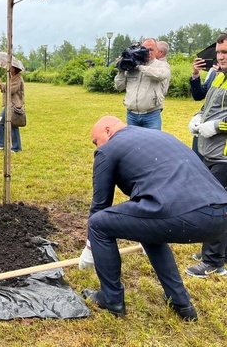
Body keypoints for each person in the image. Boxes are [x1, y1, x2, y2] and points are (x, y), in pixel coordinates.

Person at [79, 115, 227, 321]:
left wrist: (89, 247)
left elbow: (100, 205)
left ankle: (111, 299)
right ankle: (181, 303)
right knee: (148, 229)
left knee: (98, 225)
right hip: (221, 214)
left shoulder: (108, 149)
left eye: (95, 141)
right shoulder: (157, 136)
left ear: (107, 131)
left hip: (187, 214)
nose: (95, 147)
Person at [185, 32, 227, 278]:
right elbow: (206, 104)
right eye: (220, 52)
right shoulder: (219, 78)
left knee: (217, 206)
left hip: (224, 156)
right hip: (210, 152)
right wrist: (199, 117)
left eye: (226, 53)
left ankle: (213, 262)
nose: (221, 57)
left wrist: (218, 127)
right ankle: (218, 250)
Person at [114, 38, 171, 130]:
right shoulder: (132, 65)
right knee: (133, 143)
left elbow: (160, 75)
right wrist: (121, 70)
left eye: (151, 49)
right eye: (144, 49)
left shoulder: (161, 65)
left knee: (152, 142)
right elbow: (119, 86)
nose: (147, 52)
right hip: (131, 114)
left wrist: (139, 67)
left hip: (151, 114)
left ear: (156, 50)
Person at [0, 66, 25, 153]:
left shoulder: (17, 78)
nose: (8, 68)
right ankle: (15, 147)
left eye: (10, 67)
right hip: (10, 104)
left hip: (13, 105)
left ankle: (2, 144)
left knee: (1, 122)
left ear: (14, 69)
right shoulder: (12, 77)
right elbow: (5, 90)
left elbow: (11, 90)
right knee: (13, 125)